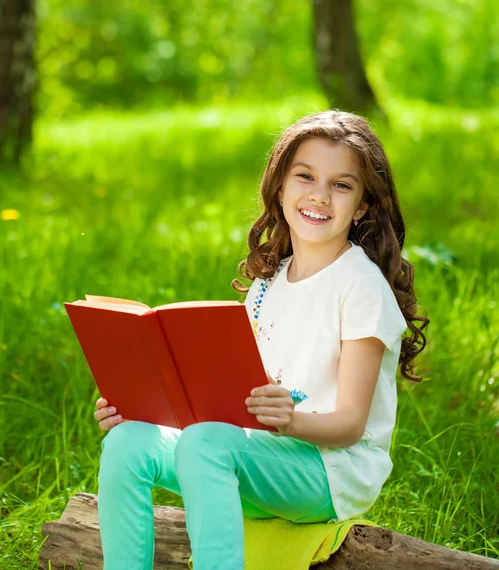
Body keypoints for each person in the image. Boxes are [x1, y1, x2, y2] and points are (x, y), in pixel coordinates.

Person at [93, 110, 429, 570]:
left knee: (205, 445)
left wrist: (289, 421)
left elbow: (351, 424)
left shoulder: (361, 287)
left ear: (364, 206)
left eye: (342, 185)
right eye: (305, 177)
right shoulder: (268, 283)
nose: (319, 195)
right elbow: (230, 399)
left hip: (328, 472)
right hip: (255, 456)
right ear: (280, 187)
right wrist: (140, 405)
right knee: (128, 442)